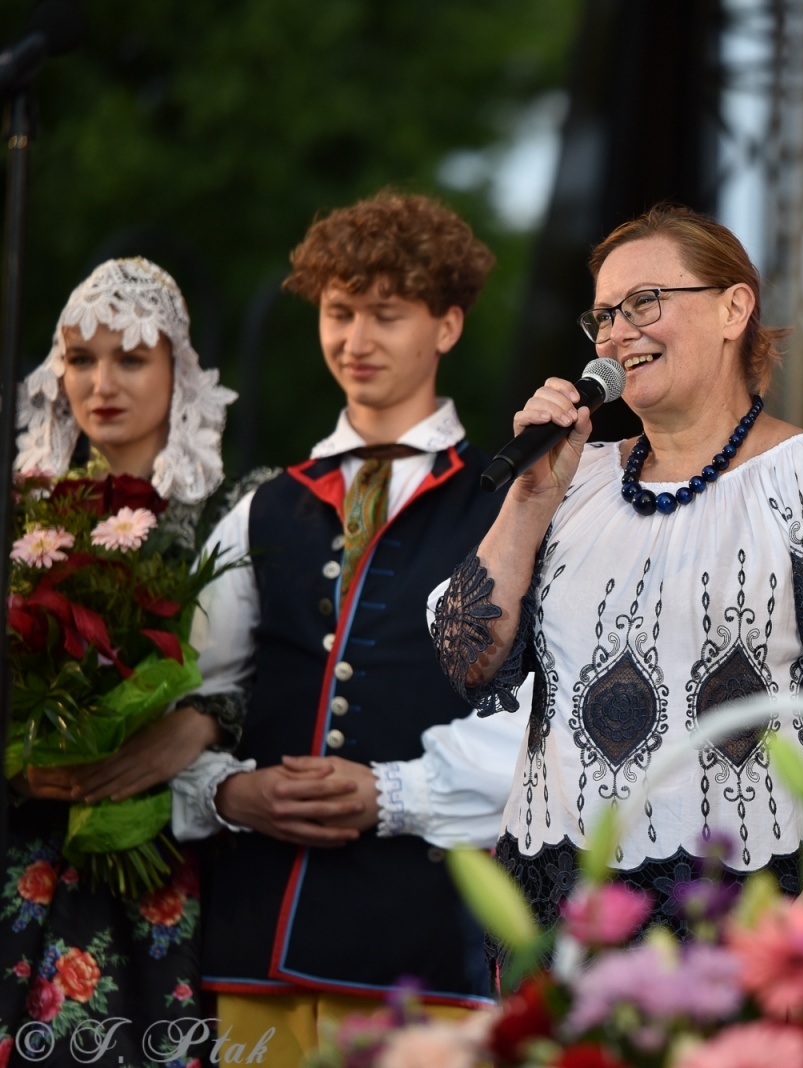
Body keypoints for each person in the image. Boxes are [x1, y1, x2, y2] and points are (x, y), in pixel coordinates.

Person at [429, 204, 803, 959]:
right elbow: (462, 655)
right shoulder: (575, 480)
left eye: (644, 302)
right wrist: (530, 497)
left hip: (742, 912)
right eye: (603, 315)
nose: (616, 333)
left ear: (735, 307)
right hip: (561, 901)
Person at [174, 193, 524, 1064]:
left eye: (385, 314)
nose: (355, 340)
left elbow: (541, 723)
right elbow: (188, 699)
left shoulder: (508, 507)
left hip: (428, 954)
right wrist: (228, 793)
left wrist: (394, 792)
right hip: (257, 945)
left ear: (446, 325)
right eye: (339, 311)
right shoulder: (263, 507)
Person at [4, 257, 238, 1059]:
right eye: (81, 358)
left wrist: (201, 724)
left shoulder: (235, 512)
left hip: (174, 855)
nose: (102, 381)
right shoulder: (24, 517)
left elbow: (273, 679)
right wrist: (23, 751)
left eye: (132, 357)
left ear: (180, 374)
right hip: (30, 843)